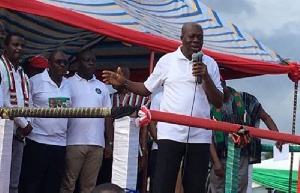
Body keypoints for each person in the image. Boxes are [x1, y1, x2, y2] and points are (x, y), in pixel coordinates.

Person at [102, 22, 223, 193]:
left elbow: (218, 102)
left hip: (199, 137)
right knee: (162, 186)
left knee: (195, 188)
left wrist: (206, 77)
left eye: (199, 37)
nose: (196, 40)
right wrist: (124, 83)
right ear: (182, 39)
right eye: (191, 36)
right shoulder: (167, 61)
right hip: (170, 135)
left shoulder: (210, 64)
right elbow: (146, 89)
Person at [209, 79, 283, 193]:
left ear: (224, 84)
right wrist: (216, 161)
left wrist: (278, 137)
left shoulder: (246, 99)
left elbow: (265, 117)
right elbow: (206, 134)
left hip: (242, 154)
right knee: (218, 189)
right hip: (218, 155)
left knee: (239, 189)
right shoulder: (207, 102)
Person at [60, 50, 113, 193]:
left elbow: (108, 116)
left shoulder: (102, 87)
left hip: (97, 143)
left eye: (93, 61)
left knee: (89, 187)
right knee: (67, 184)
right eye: (86, 60)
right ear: (78, 63)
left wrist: (109, 142)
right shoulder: (67, 83)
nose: (90, 63)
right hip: (73, 141)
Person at [19, 50, 71, 193]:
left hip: (60, 144)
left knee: (52, 187)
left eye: (65, 62)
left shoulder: (69, 84)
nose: (62, 65)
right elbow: (25, 106)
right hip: (37, 142)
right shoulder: (35, 81)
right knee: (32, 186)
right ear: (49, 64)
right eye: (58, 62)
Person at [98, 67, 150, 192]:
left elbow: (144, 128)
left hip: (133, 150)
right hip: (110, 149)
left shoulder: (142, 100)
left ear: (125, 77)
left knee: (131, 184)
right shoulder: (109, 98)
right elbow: (106, 122)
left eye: (117, 76)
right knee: (107, 183)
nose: (113, 80)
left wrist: (143, 152)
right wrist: (109, 144)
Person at [0, 32, 33, 193]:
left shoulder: (22, 73)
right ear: (5, 47)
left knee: (13, 183)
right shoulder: (0, 67)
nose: (19, 48)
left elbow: (29, 102)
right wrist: (24, 123)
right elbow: (3, 101)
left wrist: (28, 124)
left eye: (22, 45)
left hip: (19, 135)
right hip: (4, 131)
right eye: (15, 45)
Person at [148, 91, 162, 193]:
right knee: (157, 181)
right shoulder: (158, 97)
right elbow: (151, 122)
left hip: (180, 146)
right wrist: (161, 143)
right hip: (159, 148)